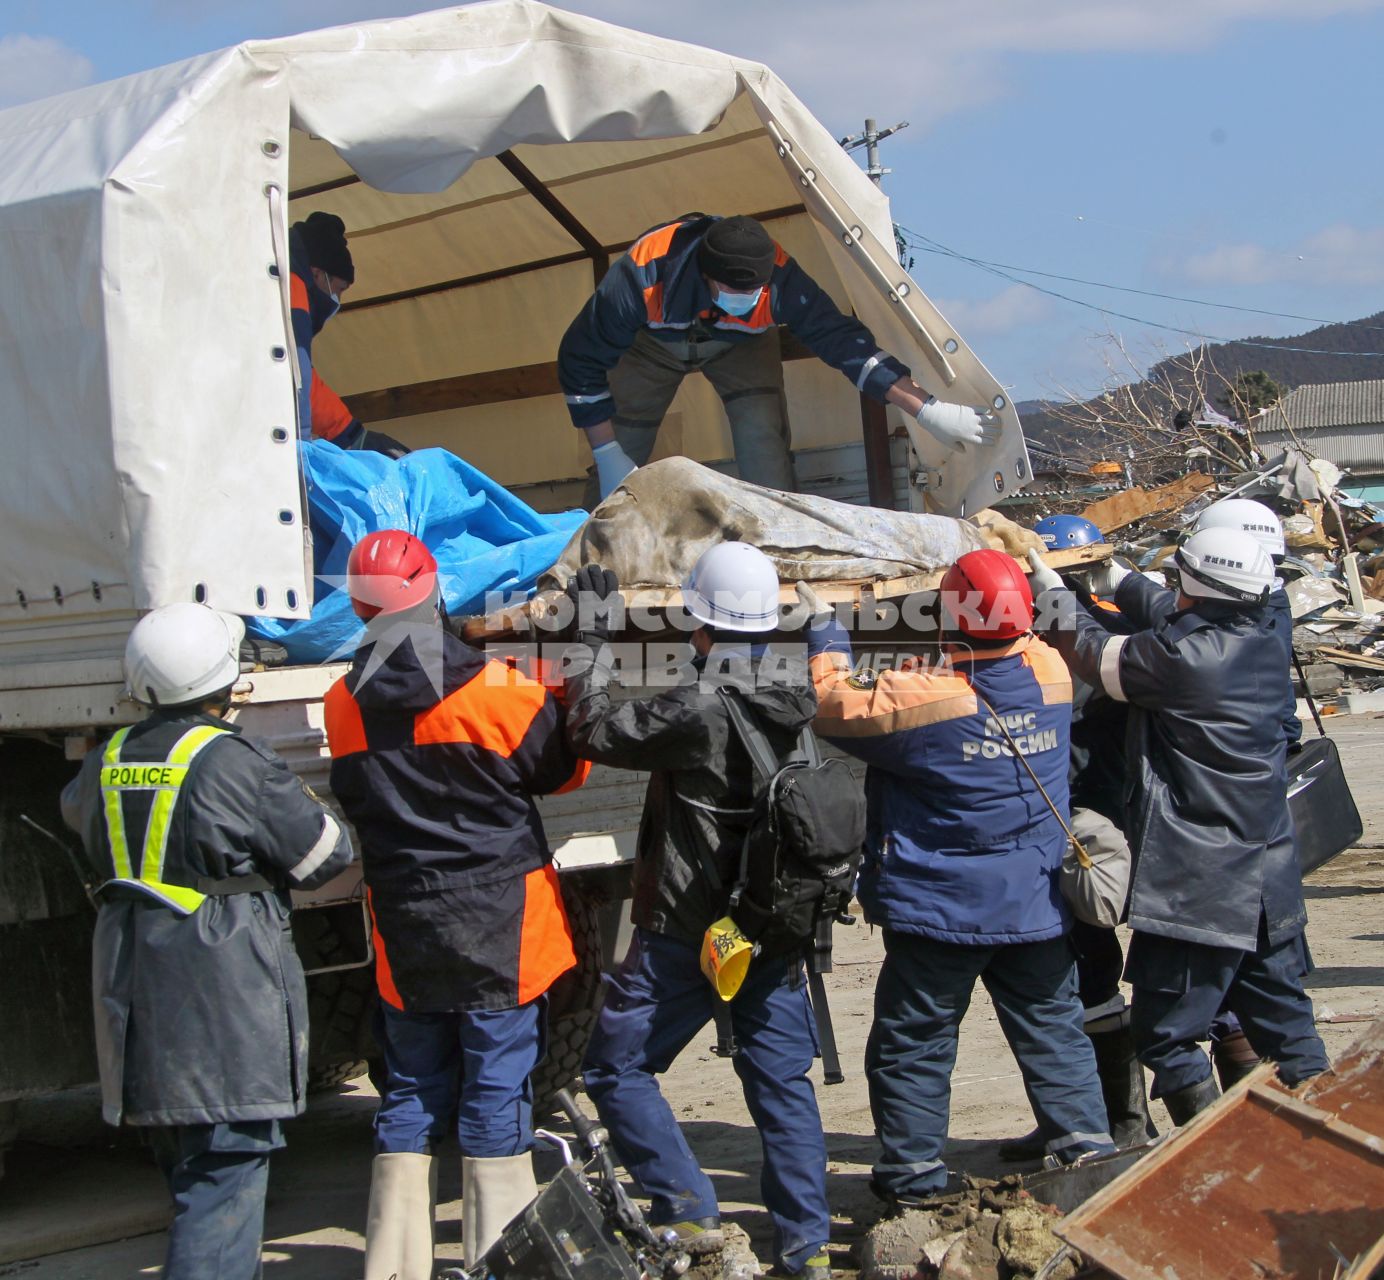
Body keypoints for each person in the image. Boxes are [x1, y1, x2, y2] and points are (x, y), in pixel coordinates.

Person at [808, 548, 1114, 1209]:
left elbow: (832, 702)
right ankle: (1087, 1149)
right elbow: (1004, 655)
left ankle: (915, 1179)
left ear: (948, 620)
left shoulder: (926, 699)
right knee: (1053, 1027)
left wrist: (824, 629)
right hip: (1034, 901)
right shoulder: (1051, 673)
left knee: (914, 1042)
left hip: (941, 912)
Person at [323, 529, 591, 1277]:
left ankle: (394, 1265)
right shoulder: (495, 690)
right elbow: (562, 772)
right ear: (436, 595)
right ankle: (499, 1260)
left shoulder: (340, 704)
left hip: (407, 926)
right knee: (498, 1084)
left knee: (410, 1084)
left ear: (356, 605)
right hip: (499, 920)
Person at [60, 603, 355, 1280]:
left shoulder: (107, 758)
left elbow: (75, 813)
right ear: (228, 680)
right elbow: (324, 856)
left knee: (191, 1167)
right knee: (222, 1186)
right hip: (221, 995)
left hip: (134, 992)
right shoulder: (234, 762)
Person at [565, 542, 832, 1280]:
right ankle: (805, 1250)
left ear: (700, 627)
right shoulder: (796, 695)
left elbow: (590, 729)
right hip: (770, 925)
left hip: (693, 932)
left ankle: (687, 1211)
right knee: (780, 1083)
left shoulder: (695, 708)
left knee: (618, 1069)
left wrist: (591, 636)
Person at [1028, 529, 1330, 1124]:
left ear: (1197, 584)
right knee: (1287, 1027)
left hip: (1202, 887)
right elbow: (1173, 609)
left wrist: (1053, 594)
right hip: (1268, 876)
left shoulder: (1180, 661)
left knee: (1166, 1034)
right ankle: (1340, 1145)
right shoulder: (1263, 635)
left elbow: (1092, 653)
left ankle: (1212, 1165)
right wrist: (1117, 580)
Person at [557, 213, 1000, 507]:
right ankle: (589, 559)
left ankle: (777, 549)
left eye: (755, 291)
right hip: (651, 343)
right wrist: (607, 451)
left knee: (763, 436)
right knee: (622, 446)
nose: (748, 299)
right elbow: (579, 359)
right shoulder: (641, 277)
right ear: (705, 276)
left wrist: (926, 408)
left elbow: (845, 344)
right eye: (735, 292)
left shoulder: (782, 280)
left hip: (741, 343)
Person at [1000, 516, 1156, 1159]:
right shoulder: (1055, 628)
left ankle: (1121, 1118)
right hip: (1054, 818)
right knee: (1056, 982)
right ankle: (1070, 1115)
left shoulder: (1098, 634)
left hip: (1085, 825)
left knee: (1091, 971)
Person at [1191, 498, 1303, 1087]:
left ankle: (1246, 1095)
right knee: (1272, 969)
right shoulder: (1265, 606)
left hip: (1231, 827)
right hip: (1265, 815)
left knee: (1241, 973)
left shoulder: (1228, 636)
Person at [289, 210, 409, 456]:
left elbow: (305, 379)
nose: (337, 300)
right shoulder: (292, 287)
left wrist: (350, 432)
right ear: (317, 273)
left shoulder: (285, 277)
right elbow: (297, 378)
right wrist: (300, 458)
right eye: (339, 289)